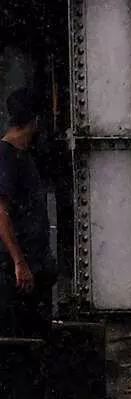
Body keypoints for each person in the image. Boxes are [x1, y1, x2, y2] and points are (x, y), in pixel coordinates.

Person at [0, 88, 53, 339]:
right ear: (35, 121)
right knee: (21, 341)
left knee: (33, 338)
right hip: (18, 272)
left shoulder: (22, 157)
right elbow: (1, 213)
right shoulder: (7, 156)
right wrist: (19, 262)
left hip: (31, 267)